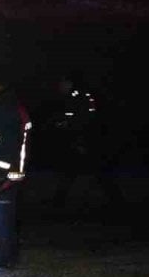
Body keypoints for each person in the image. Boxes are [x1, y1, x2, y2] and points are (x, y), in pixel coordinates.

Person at [48, 71, 125, 210]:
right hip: (78, 142)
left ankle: (117, 202)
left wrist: (79, 139)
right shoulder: (70, 97)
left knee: (96, 172)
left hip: (85, 143)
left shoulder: (80, 97)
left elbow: (85, 120)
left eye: (62, 83)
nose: (60, 86)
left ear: (69, 83)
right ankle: (57, 203)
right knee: (72, 173)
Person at [0, 72, 31, 268]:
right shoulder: (7, 105)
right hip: (6, 173)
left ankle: (6, 256)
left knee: (4, 217)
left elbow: (7, 145)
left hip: (4, 175)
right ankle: (5, 250)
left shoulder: (5, 107)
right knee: (4, 216)